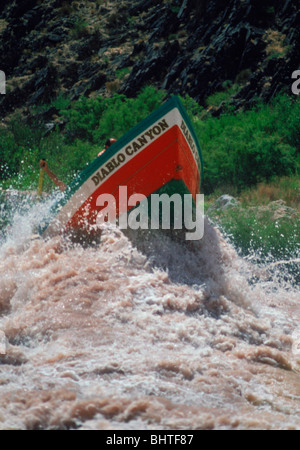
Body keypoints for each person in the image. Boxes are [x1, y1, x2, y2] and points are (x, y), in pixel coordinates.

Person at [39, 137, 117, 192]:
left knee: (62, 185)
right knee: (62, 186)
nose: (117, 145)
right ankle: (46, 169)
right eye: (115, 144)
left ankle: (46, 169)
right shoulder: (102, 154)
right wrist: (46, 169)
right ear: (107, 147)